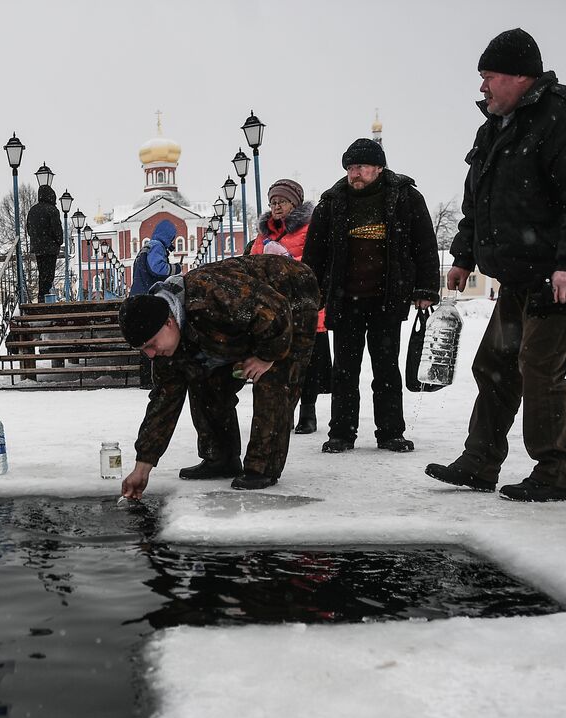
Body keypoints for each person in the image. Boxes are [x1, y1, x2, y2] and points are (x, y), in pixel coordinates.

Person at [427, 28, 566, 503]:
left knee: (539, 367)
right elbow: (480, 200)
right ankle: (480, 461)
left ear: (519, 76)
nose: (482, 88)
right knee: (493, 365)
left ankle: (556, 470)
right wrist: (463, 256)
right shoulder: (496, 126)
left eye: (488, 77)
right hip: (519, 277)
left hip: (560, 279)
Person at [117, 253, 321, 496]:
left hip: (292, 297)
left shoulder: (209, 295)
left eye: (151, 344)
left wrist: (267, 356)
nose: (151, 354)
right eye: (144, 350)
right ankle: (221, 458)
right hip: (247, 321)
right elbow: (163, 402)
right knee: (203, 380)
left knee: (275, 380)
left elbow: (275, 310)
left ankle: (263, 467)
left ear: (169, 323)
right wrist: (143, 467)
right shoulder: (167, 346)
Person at [303, 139, 439, 455]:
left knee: (386, 368)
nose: (355, 174)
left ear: (379, 167)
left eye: (360, 167)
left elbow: (424, 245)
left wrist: (425, 289)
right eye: (350, 168)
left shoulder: (405, 197)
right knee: (345, 371)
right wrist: (312, 293)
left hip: (386, 299)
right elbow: (315, 254)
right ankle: (341, 434)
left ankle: (391, 433)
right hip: (345, 298)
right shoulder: (332, 201)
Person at [247, 178, 328, 435]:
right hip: (275, 307)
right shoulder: (264, 234)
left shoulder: (310, 229)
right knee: (281, 362)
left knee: (308, 364)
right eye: (272, 202)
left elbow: (317, 260)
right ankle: (286, 410)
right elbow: (252, 262)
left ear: (294, 203)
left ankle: (308, 412)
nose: (276, 206)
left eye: (281, 201)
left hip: (305, 305)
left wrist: (287, 260)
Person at [25, 184, 64, 302]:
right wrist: (59, 241)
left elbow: (29, 228)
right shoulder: (52, 210)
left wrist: (37, 240)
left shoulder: (33, 210)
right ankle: (44, 297)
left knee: (42, 272)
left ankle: (42, 296)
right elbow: (56, 228)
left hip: (38, 248)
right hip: (50, 248)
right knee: (49, 274)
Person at [130, 219, 177, 296]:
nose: (172, 242)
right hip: (147, 295)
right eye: (172, 238)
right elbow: (157, 268)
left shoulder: (149, 246)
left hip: (139, 292)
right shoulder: (157, 246)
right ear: (167, 236)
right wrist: (175, 268)